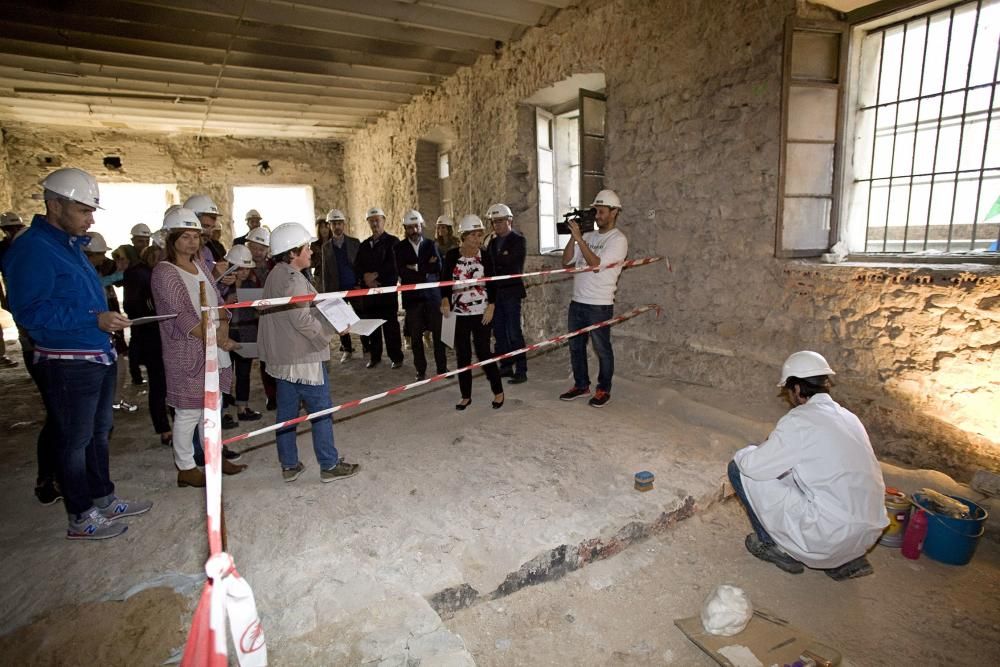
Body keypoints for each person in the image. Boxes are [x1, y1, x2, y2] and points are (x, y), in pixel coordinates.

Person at [2, 167, 152, 539]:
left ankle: (102, 497)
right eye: (84, 210)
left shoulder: (69, 245)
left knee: (99, 432)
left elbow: (82, 293)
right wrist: (93, 319)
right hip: (66, 362)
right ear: (55, 205)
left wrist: (102, 320)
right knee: (73, 440)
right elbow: (30, 312)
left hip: (94, 354)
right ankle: (80, 515)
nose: (91, 218)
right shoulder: (32, 248)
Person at [729, 351, 888, 581]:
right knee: (801, 476)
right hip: (865, 535)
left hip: (828, 536)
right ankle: (847, 561)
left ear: (796, 389)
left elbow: (754, 467)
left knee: (739, 468)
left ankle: (773, 546)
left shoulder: (800, 420)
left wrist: (747, 452)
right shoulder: (850, 418)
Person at [151, 207, 247, 488]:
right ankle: (185, 466)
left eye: (196, 236)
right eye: (185, 236)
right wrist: (214, 337)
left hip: (214, 345)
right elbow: (181, 314)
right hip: (188, 349)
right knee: (188, 411)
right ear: (171, 239)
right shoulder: (165, 272)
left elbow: (218, 301)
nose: (192, 242)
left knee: (213, 408)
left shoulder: (201, 265)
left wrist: (224, 330)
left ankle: (213, 456)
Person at [258, 222, 360, 483]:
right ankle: (329, 465)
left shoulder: (276, 274)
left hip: (283, 358)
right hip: (303, 358)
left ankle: (289, 465)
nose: (312, 251)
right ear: (292, 253)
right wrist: (330, 331)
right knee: (321, 411)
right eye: (306, 248)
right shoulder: (292, 280)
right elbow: (301, 320)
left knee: (287, 414)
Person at [559, 189, 628, 408]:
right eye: (595, 211)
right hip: (577, 301)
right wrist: (574, 238)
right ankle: (581, 384)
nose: (597, 215)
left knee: (602, 349)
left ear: (614, 212)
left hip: (599, 304)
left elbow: (596, 265)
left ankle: (603, 389)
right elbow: (567, 262)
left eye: (601, 211)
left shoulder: (618, 240)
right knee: (575, 346)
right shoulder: (588, 236)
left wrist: (581, 239)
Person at [440, 215, 504, 411]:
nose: (478, 239)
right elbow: (444, 280)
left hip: (481, 311)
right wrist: (444, 300)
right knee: (463, 355)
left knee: (484, 351)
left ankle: (498, 391)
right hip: (459, 312)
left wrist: (492, 306)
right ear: (464, 236)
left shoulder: (485, 256)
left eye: (480, 235)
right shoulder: (452, 255)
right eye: (474, 235)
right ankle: (465, 395)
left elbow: (493, 283)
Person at [123, 243, 172, 446]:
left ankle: (177, 424)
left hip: (167, 335)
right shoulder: (137, 274)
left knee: (170, 382)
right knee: (159, 383)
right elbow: (132, 306)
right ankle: (163, 428)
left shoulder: (166, 272)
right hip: (151, 336)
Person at [395, 209, 447, 381]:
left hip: (433, 297)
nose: (414, 230)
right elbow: (402, 271)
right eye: (409, 227)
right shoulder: (399, 248)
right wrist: (425, 269)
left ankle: (442, 368)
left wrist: (416, 268)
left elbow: (438, 267)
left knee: (439, 335)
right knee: (416, 337)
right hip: (413, 300)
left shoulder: (431, 245)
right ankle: (421, 370)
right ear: (405, 228)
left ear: (421, 226)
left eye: (416, 226)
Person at [354, 207, 403, 369]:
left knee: (391, 327)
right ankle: (375, 356)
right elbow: (358, 266)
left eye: (377, 220)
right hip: (370, 295)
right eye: (372, 220)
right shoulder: (364, 246)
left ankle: (396, 357)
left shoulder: (393, 242)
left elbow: (394, 266)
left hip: (386, 292)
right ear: (368, 222)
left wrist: (375, 276)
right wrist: (365, 279)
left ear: (384, 221)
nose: (375, 223)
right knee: (372, 327)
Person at [485, 203, 528, 384]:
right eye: (494, 222)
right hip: (496, 294)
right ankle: (506, 365)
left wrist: (498, 262)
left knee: (514, 332)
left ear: (509, 220)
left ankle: (521, 370)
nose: (497, 225)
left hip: (511, 292)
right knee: (500, 331)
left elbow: (510, 262)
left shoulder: (518, 240)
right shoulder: (493, 242)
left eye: (500, 221)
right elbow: (489, 265)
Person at [223, 244, 264, 424]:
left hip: (247, 332)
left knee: (244, 372)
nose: (244, 273)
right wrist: (225, 302)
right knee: (224, 373)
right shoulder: (220, 288)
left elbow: (260, 307)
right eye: (241, 269)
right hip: (226, 334)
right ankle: (223, 412)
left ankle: (242, 407)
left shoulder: (252, 285)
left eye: (247, 269)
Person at [245, 226, 278, 410]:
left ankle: (282, 390)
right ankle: (271, 395)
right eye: (254, 247)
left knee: (278, 355)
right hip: (253, 320)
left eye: (261, 248)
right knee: (264, 357)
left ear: (267, 250)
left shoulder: (275, 267)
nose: (257, 252)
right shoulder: (242, 269)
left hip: (275, 317)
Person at [0, 211, 26, 368]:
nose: (15, 231)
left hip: (33, 291)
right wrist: (4, 300)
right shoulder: (2, 249)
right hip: (16, 293)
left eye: (18, 227)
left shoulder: (31, 244)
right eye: (12, 228)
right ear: (5, 230)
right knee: (24, 331)